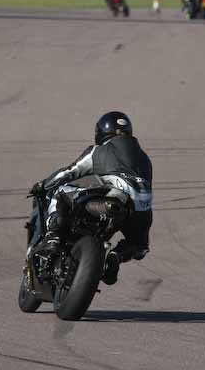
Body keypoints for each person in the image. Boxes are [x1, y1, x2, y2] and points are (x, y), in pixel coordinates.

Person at [29, 111, 153, 285]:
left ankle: (53, 238)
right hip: (141, 212)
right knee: (139, 245)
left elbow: (70, 172)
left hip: (114, 198)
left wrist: (43, 185)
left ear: (101, 133)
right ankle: (116, 257)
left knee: (61, 193)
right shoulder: (145, 159)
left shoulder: (99, 151)